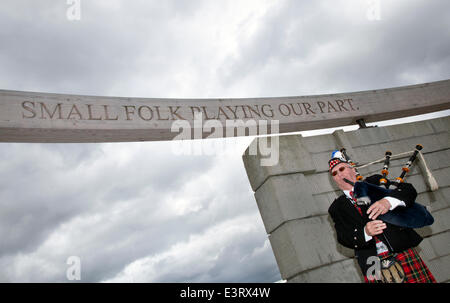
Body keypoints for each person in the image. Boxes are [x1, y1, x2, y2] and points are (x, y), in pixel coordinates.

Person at [327, 152, 436, 283]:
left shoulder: (375, 182)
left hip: (401, 251)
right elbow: (343, 237)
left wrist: (389, 201)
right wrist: (365, 232)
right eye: (334, 173)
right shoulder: (336, 207)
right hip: (372, 263)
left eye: (342, 168)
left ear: (352, 169)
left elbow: (408, 190)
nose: (339, 174)